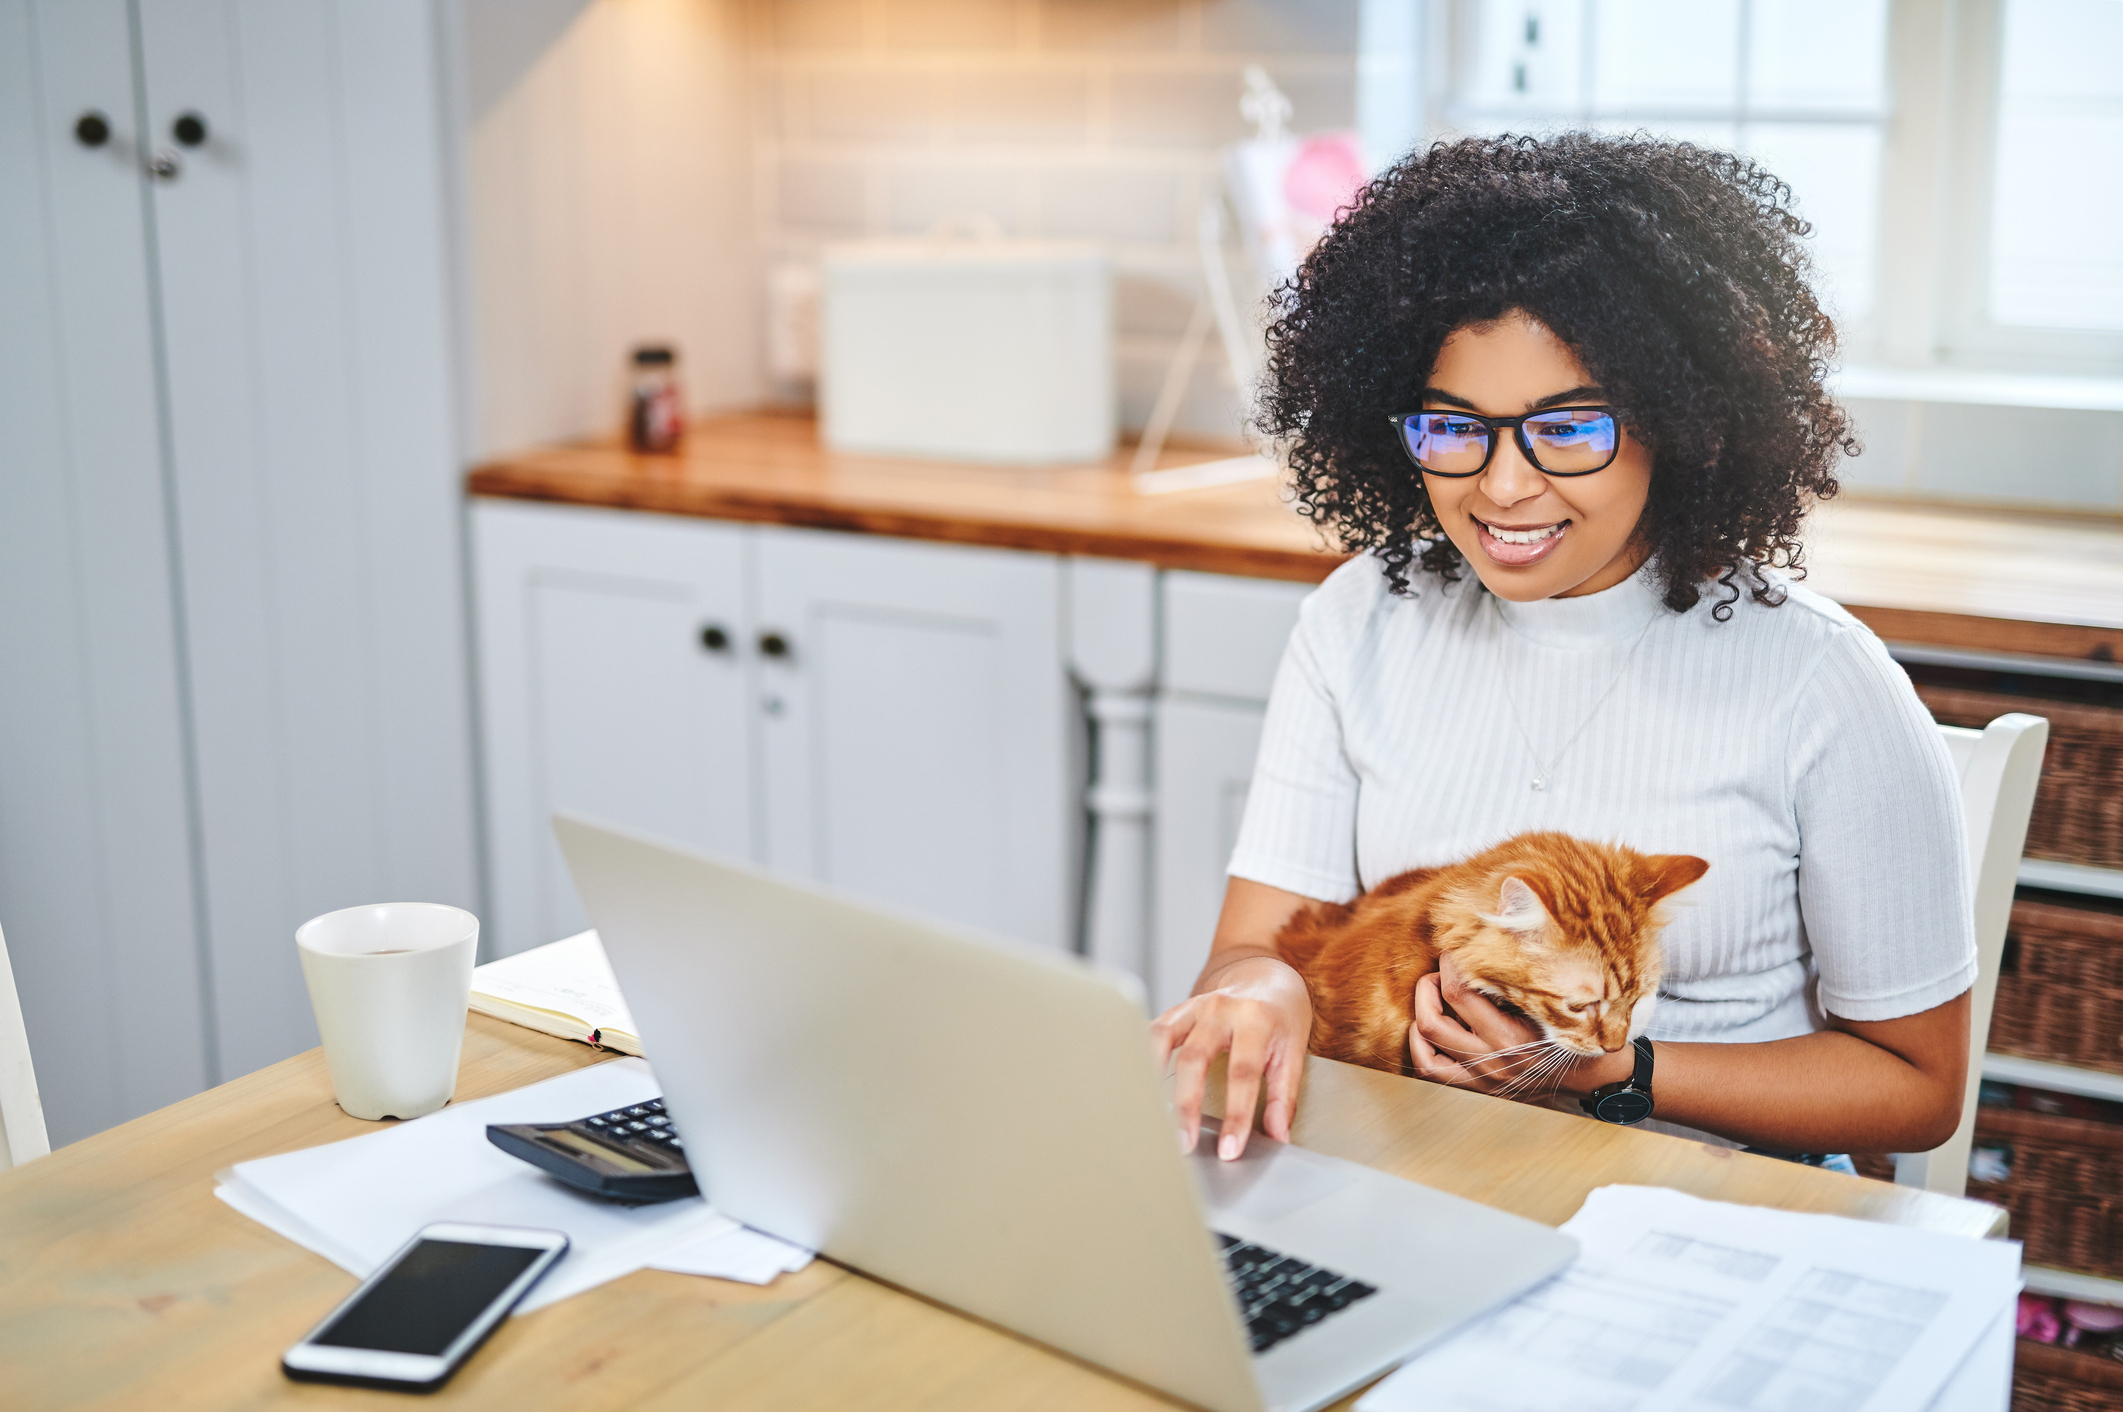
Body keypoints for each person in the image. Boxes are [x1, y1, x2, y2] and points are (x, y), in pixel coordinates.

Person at [1152, 134, 1974, 1170]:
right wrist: (1256, 994)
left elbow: (1916, 1086)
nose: (1500, 487)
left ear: (1675, 420)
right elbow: (1252, 947)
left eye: (1566, 428)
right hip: (1414, 1180)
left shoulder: (1818, 682)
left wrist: (1616, 1073)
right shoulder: (1361, 617)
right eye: (1454, 428)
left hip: (1690, 1215)